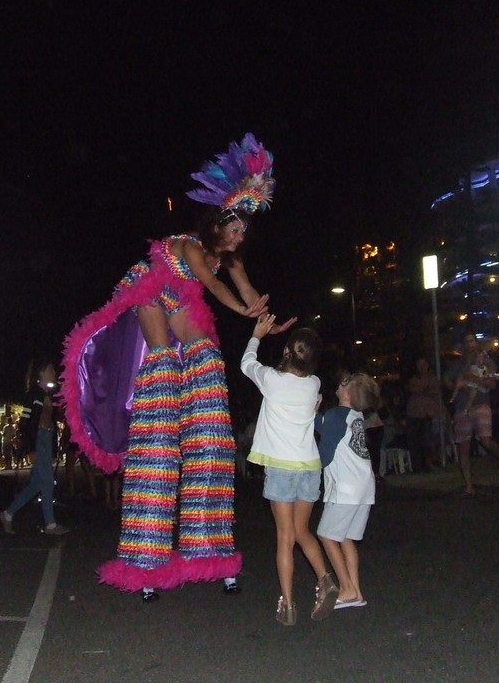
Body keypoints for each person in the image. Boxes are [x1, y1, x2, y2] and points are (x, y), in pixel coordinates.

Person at [61, 133, 295, 601]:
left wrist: (265, 318)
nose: (237, 237)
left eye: (243, 233)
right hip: (151, 286)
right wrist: (242, 311)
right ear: (218, 223)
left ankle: (209, 551)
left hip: (183, 300)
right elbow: (212, 285)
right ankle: (143, 559)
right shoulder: (191, 247)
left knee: (210, 427)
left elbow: (245, 290)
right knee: (162, 406)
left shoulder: (229, 255)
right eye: (233, 229)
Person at [241, 313, 338, 626]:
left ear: (287, 351)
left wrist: (257, 334)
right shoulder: (314, 384)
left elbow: (246, 363)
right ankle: (325, 580)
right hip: (309, 467)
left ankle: (289, 605)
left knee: (284, 537)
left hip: (282, 470)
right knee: (302, 531)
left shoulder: (272, 380)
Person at [316, 372, 378, 609]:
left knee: (327, 535)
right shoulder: (355, 417)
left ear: (348, 393)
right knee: (347, 539)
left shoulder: (336, 416)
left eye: (345, 383)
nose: (340, 384)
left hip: (345, 488)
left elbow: (325, 452)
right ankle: (356, 590)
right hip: (364, 486)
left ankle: (347, 589)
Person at [0, 359, 70, 536]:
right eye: (50, 369)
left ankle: (8, 514)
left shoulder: (49, 396)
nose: (53, 372)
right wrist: (30, 448)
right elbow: (25, 423)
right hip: (37, 439)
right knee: (46, 482)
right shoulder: (33, 395)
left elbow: (52, 425)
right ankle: (50, 524)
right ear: (41, 373)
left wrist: (53, 450)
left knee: (36, 484)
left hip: (46, 440)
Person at [444, 332, 499, 495]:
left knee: (485, 440)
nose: (469, 345)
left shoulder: (487, 362)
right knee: (464, 446)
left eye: (472, 341)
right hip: (462, 407)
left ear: (476, 343)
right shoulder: (458, 364)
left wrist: (473, 380)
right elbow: (446, 380)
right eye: (466, 342)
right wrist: (457, 384)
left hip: (481, 404)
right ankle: (469, 486)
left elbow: (492, 383)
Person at [406, 357, 441, 472]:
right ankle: (417, 466)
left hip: (427, 414)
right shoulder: (414, 379)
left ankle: (430, 463)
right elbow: (412, 388)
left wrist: (422, 390)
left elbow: (432, 390)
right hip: (414, 414)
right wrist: (422, 389)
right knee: (414, 440)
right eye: (419, 365)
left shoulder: (432, 378)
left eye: (423, 364)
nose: (421, 368)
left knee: (427, 439)